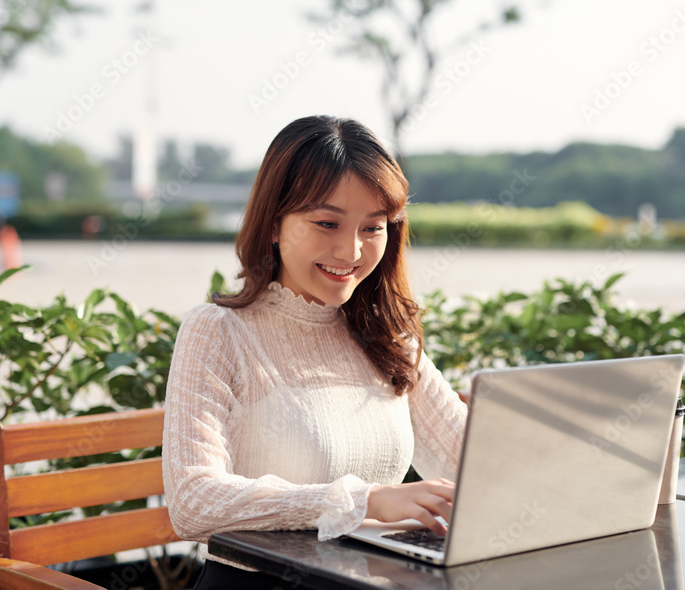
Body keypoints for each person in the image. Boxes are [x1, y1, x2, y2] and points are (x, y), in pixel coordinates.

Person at [162, 115, 469, 589]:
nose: (350, 251)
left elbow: (469, 457)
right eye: (327, 222)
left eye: (373, 227)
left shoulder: (386, 334)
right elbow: (193, 501)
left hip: (366, 579)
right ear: (272, 224)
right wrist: (362, 502)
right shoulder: (218, 332)